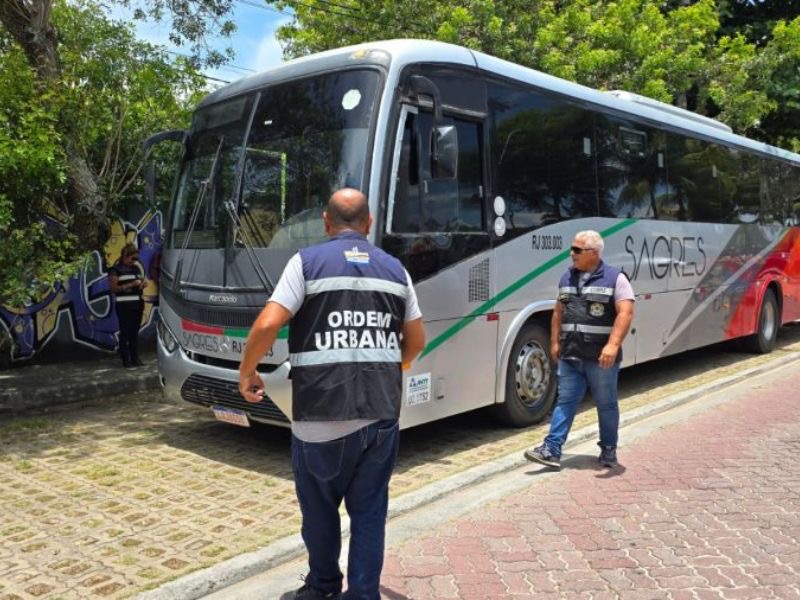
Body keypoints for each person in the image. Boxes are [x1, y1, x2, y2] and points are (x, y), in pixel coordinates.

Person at [237, 188, 426, 600]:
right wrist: (398, 364)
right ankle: (362, 593)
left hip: (319, 418)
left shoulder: (306, 263)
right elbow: (416, 339)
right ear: (369, 223)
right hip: (380, 414)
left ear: (326, 222)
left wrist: (248, 369)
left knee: (320, 512)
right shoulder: (395, 269)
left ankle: (323, 584)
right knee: (370, 513)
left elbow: (269, 323)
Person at [524, 230, 634, 470]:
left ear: (593, 253)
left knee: (606, 404)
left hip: (600, 358)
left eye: (577, 250)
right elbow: (558, 312)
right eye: (572, 249)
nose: (571, 254)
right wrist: (554, 342)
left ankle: (608, 449)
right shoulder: (567, 277)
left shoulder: (616, 279)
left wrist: (613, 345)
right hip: (571, 354)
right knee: (564, 401)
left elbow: (625, 313)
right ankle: (551, 450)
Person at [108, 242, 146, 368]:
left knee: (134, 332)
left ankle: (135, 357)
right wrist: (130, 285)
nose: (134, 261)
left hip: (137, 303)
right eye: (132, 258)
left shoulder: (135, 269)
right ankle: (126, 359)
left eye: (137, 259)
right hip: (124, 305)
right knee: (125, 332)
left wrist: (141, 284)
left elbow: (139, 283)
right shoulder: (115, 270)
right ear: (125, 255)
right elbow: (114, 289)